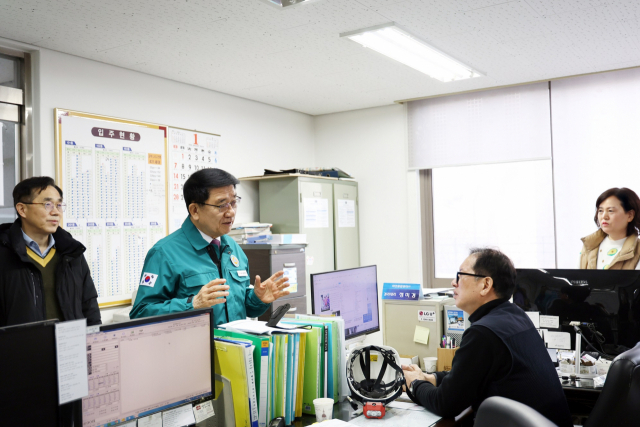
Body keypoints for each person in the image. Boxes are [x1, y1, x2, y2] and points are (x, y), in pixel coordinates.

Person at [402, 248, 572, 427]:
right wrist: (432, 378)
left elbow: (445, 404)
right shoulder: (515, 315)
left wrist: (415, 384)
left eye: (460, 276)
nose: (453, 282)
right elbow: (470, 376)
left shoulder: (484, 333)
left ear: (485, 285)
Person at [130, 168, 290, 325]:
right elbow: (140, 314)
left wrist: (257, 298)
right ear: (195, 210)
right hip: (195, 349)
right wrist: (192, 303)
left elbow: (242, 308)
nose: (231, 212)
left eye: (233, 202)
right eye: (222, 205)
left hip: (235, 348)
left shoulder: (233, 248)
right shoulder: (164, 253)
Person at [0, 176, 101, 327]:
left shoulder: (72, 253)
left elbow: (89, 306)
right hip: (21, 349)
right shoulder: (4, 253)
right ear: (22, 209)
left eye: (59, 205)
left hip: (70, 347)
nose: (56, 212)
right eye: (48, 204)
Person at [579, 187, 640, 269]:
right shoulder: (589, 246)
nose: (604, 216)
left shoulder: (638, 250)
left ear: (630, 215)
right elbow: (577, 279)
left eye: (610, 211)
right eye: (600, 211)